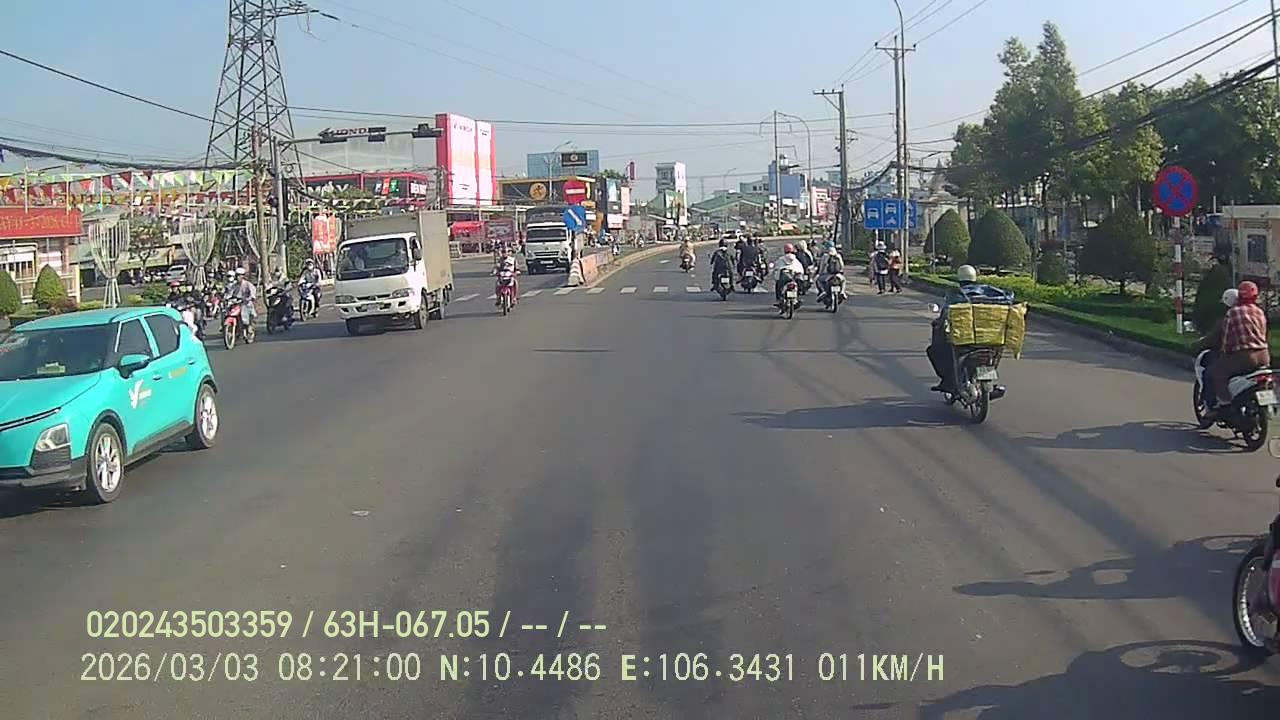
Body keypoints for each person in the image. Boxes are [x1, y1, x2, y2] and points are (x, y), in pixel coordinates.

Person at [926, 265, 1011, 393]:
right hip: (990, 339)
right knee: (992, 356)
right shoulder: (989, 292)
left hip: (965, 340)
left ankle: (948, 382)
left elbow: (946, 314)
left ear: (959, 278)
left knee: (935, 351)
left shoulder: (956, 295)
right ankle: (988, 383)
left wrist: (939, 322)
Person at [1210, 280, 1271, 409]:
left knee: (1217, 371)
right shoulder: (1259, 311)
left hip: (1245, 357)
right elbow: (1263, 333)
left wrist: (1224, 354)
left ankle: (1225, 403)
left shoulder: (1233, 312)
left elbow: (1227, 340)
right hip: (1264, 356)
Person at [1196, 288, 1239, 408]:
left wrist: (1197, 346)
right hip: (1262, 357)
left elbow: (1214, 338)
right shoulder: (1257, 313)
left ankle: (1221, 403)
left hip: (1237, 357)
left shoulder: (1229, 317)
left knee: (1211, 373)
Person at [772, 243, 805, 308]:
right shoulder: (796, 259)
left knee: (778, 286)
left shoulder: (781, 259)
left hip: (785, 278)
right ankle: (796, 299)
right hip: (794, 277)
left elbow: (776, 268)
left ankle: (779, 299)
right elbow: (801, 269)